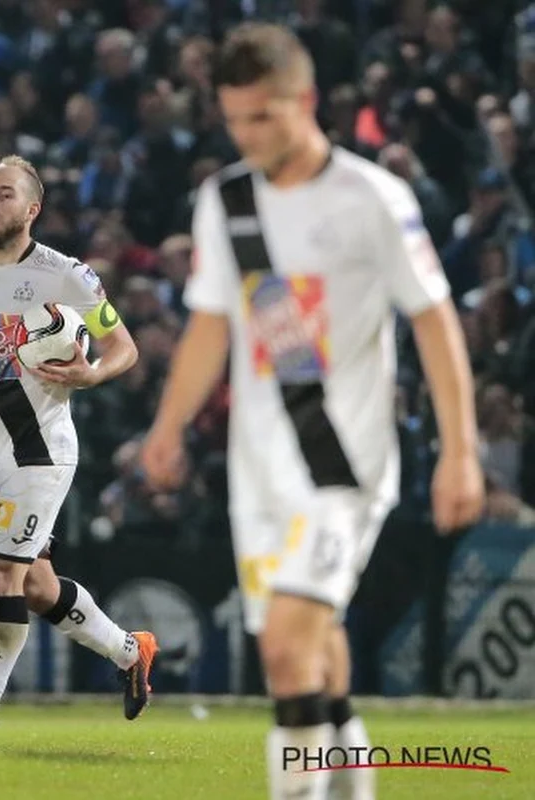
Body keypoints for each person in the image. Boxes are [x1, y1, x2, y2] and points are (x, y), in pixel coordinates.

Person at [140, 24, 484, 800]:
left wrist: (460, 450)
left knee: (288, 650)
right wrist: (168, 426)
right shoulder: (225, 202)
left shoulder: (371, 199)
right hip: (260, 470)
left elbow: (433, 319)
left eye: (264, 116)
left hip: (342, 464)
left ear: (307, 101)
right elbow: (209, 325)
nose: (247, 134)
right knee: (315, 649)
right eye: (234, 119)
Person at [0, 155, 158, 751]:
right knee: (35, 586)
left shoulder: (66, 276)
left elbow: (122, 346)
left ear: (32, 209)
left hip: (42, 450)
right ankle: (131, 651)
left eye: (3, 195)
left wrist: (93, 374)